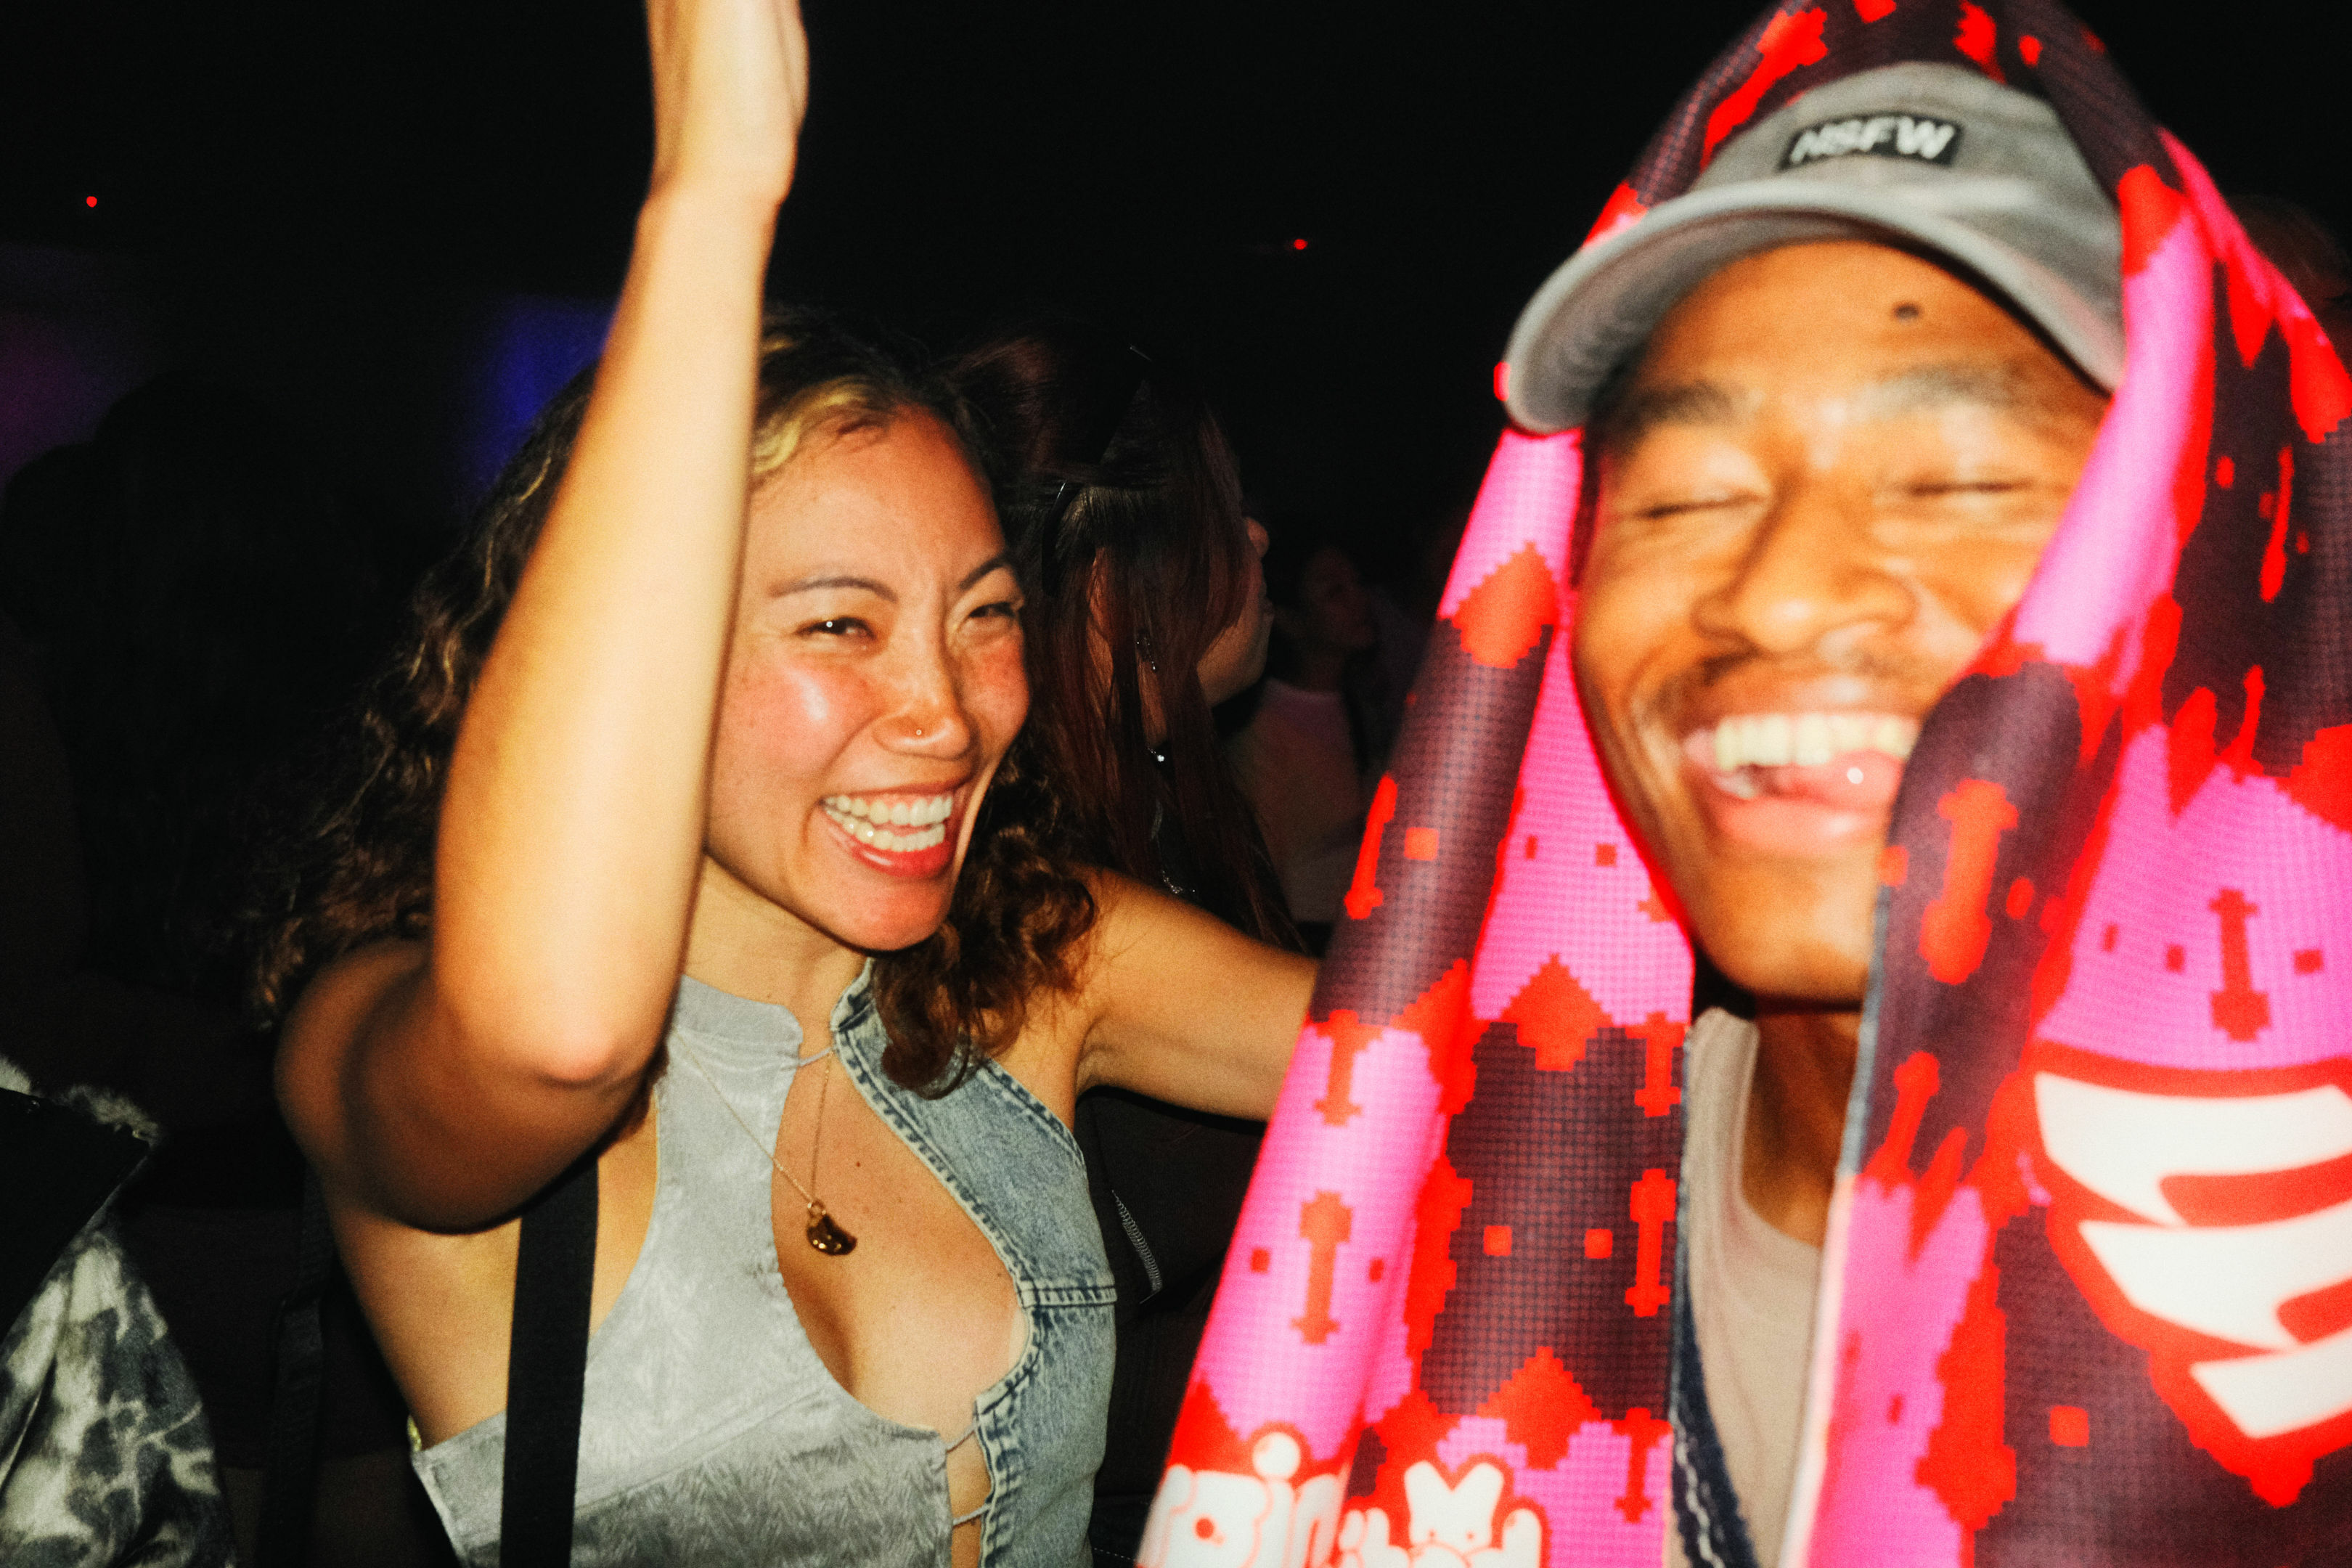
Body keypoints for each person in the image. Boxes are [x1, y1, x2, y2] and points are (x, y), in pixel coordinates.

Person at [1144, 7, 2349, 1568]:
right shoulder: (1472, 1209)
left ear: (2220, 556)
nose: (1774, 595)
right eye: (1687, 496)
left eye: (1958, 479)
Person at [261, 4, 1313, 1564]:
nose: (947, 713)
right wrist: (712, 192)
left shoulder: (1038, 958)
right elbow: (559, 1040)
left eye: (985, 616)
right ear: (638, 655)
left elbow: (1482, 1052)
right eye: (840, 623)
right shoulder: (380, 1035)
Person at [952, 323, 1298, 1564]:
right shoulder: (1033, 901)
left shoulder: (1167, 814)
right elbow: (1419, 1055)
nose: (1260, 543)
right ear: (1110, 588)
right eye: (1226, 510)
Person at [1225, 526, 1382, 950]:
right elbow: (1263, 882)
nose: (1358, 600)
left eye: (1357, 584)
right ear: (1292, 619)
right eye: (1334, 591)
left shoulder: (1367, 709)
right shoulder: (1262, 736)